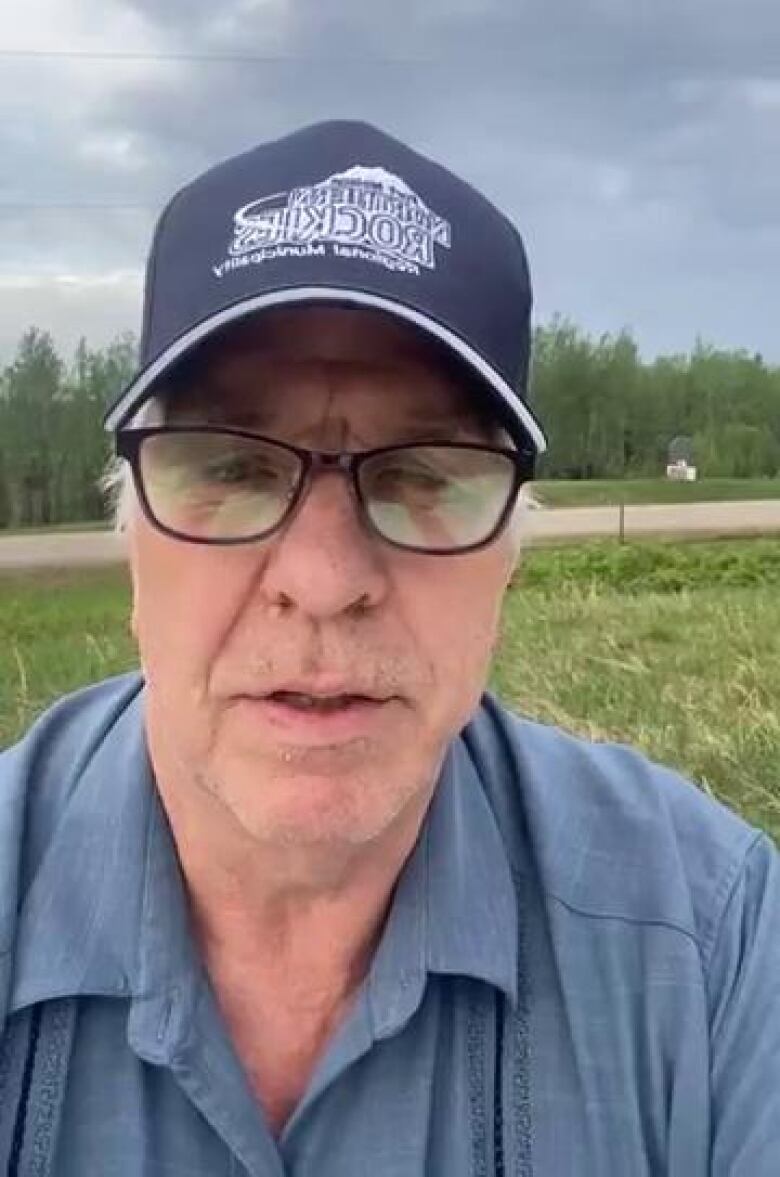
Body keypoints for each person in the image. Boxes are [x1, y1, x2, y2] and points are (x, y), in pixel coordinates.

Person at [0, 120, 777, 1177]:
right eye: (229, 466)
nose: (323, 581)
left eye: (425, 470)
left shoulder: (712, 939)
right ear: (131, 530)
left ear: (508, 549)